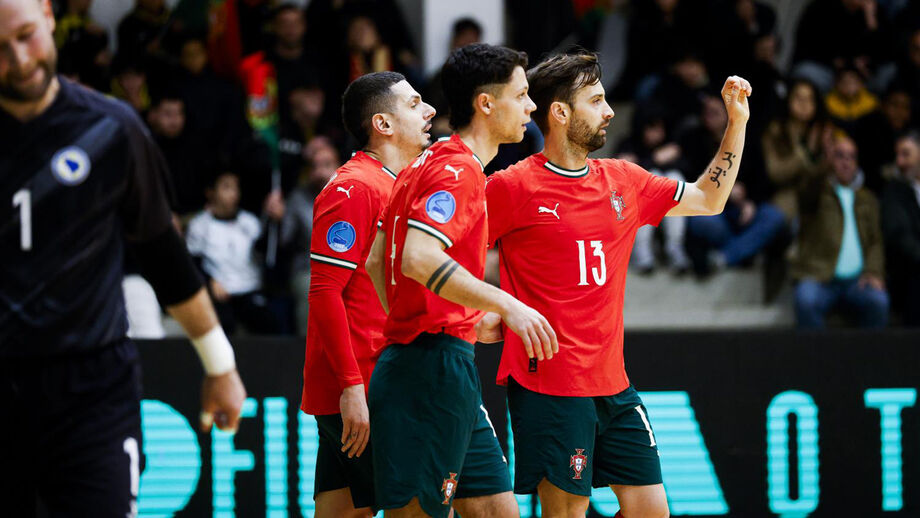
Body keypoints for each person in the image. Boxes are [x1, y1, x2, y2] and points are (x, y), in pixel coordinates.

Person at [0, 1, 246, 515]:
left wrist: (220, 365)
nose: (20, 60)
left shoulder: (111, 128)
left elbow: (163, 255)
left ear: (48, 15)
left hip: (91, 393)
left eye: (26, 36)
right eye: (0, 49)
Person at [480, 51, 751, 518]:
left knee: (652, 511)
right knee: (566, 513)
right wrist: (488, 309)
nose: (609, 111)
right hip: (549, 386)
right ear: (560, 113)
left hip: (613, 384)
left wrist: (737, 123)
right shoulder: (512, 186)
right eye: (596, 100)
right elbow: (444, 252)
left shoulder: (624, 179)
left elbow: (709, 198)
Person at [364, 43, 557, 518]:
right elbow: (418, 258)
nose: (531, 106)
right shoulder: (456, 170)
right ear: (486, 103)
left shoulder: (427, 163)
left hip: (442, 359)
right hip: (429, 370)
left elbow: (375, 261)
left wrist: (449, 314)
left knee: (497, 510)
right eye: (522, 94)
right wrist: (506, 305)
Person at [300, 71, 435, 518]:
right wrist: (351, 386)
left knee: (344, 511)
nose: (429, 111)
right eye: (414, 103)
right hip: (365, 388)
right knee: (421, 508)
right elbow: (324, 292)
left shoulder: (396, 183)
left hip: (374, 382)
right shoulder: (354, 187)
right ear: (383, 124)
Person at [793, 132, 889, 328]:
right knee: (805, 300)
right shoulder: (818, 192)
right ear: (830, 159)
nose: (846, 162)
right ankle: (816, 350)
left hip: (857, 281)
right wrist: (823, 165)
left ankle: (868, 350)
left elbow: (875, 241)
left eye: (851, 156)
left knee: (878, 301)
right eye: (839, 156)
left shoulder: (867, 198)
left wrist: (873, 271)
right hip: (819, 277)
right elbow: (806, 189)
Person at [186, 171, 280, 335]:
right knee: (221, 324)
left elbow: (264, 250)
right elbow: (193, 263)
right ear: (210, 192)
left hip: (249, 289)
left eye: (236, 188)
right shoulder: (199, 225)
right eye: (226, 187)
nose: (233, 194)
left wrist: (273, 220)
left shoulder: (249, 221)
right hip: (219, 292)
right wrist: (209, 282)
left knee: (269, 321)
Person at [880, 132, 920, 326]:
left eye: (906, 154)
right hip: (907, 272)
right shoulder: (894, 191)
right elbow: (900, 236)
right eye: (897, 155)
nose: (899, 162)